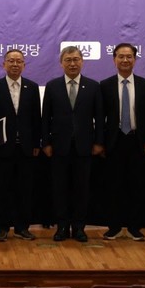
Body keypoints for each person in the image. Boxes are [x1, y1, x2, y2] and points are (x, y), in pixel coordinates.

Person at [42, 46, 104, 243]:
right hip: (58, 146)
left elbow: (99, 118)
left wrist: (99, 142)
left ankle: (79, 228)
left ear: (82, 62)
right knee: (59, 188)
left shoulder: (93, 86)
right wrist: (46, 143)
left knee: (81, 189)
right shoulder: (52, 86)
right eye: (68, 60)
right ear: (61, 63)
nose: (72, 63)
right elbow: (46, 118)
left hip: (84, 147)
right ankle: (61, 227)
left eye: (76, 59)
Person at [0, 49, 42, 242]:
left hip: (25, 148)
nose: (15, 64)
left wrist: (36, 143)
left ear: (24, 65)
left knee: (25, 190)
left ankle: (22, 228)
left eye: (19, 61)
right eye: (11, 61)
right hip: (1, 148)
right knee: (1, 190)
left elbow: (36, 119)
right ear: (4, 64)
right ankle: (1, 228)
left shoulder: (32, 87)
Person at [100, 43, 145, 242]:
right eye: (121, 56)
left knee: (137, 186)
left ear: (135, 59)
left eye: (129, 56)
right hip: (114, 142)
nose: (125, 60)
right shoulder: (105, 85)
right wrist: (101, 142)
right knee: (113, 186)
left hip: (137, 140)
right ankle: (113, 227)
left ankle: (134, 227)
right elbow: (100, 117)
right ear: (114, 59)